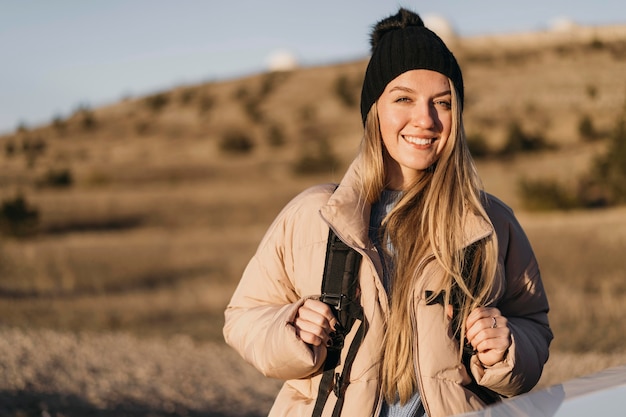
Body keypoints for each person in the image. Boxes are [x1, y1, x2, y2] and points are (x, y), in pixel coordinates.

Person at [223, 8, 552, 417]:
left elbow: (533, 322)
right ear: (374, 110)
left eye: (443, 103)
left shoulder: (490, 223)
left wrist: (508, 346)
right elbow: (242, 317)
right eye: (403, 99)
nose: (426, 119)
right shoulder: (314, 215)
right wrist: (290, 327)